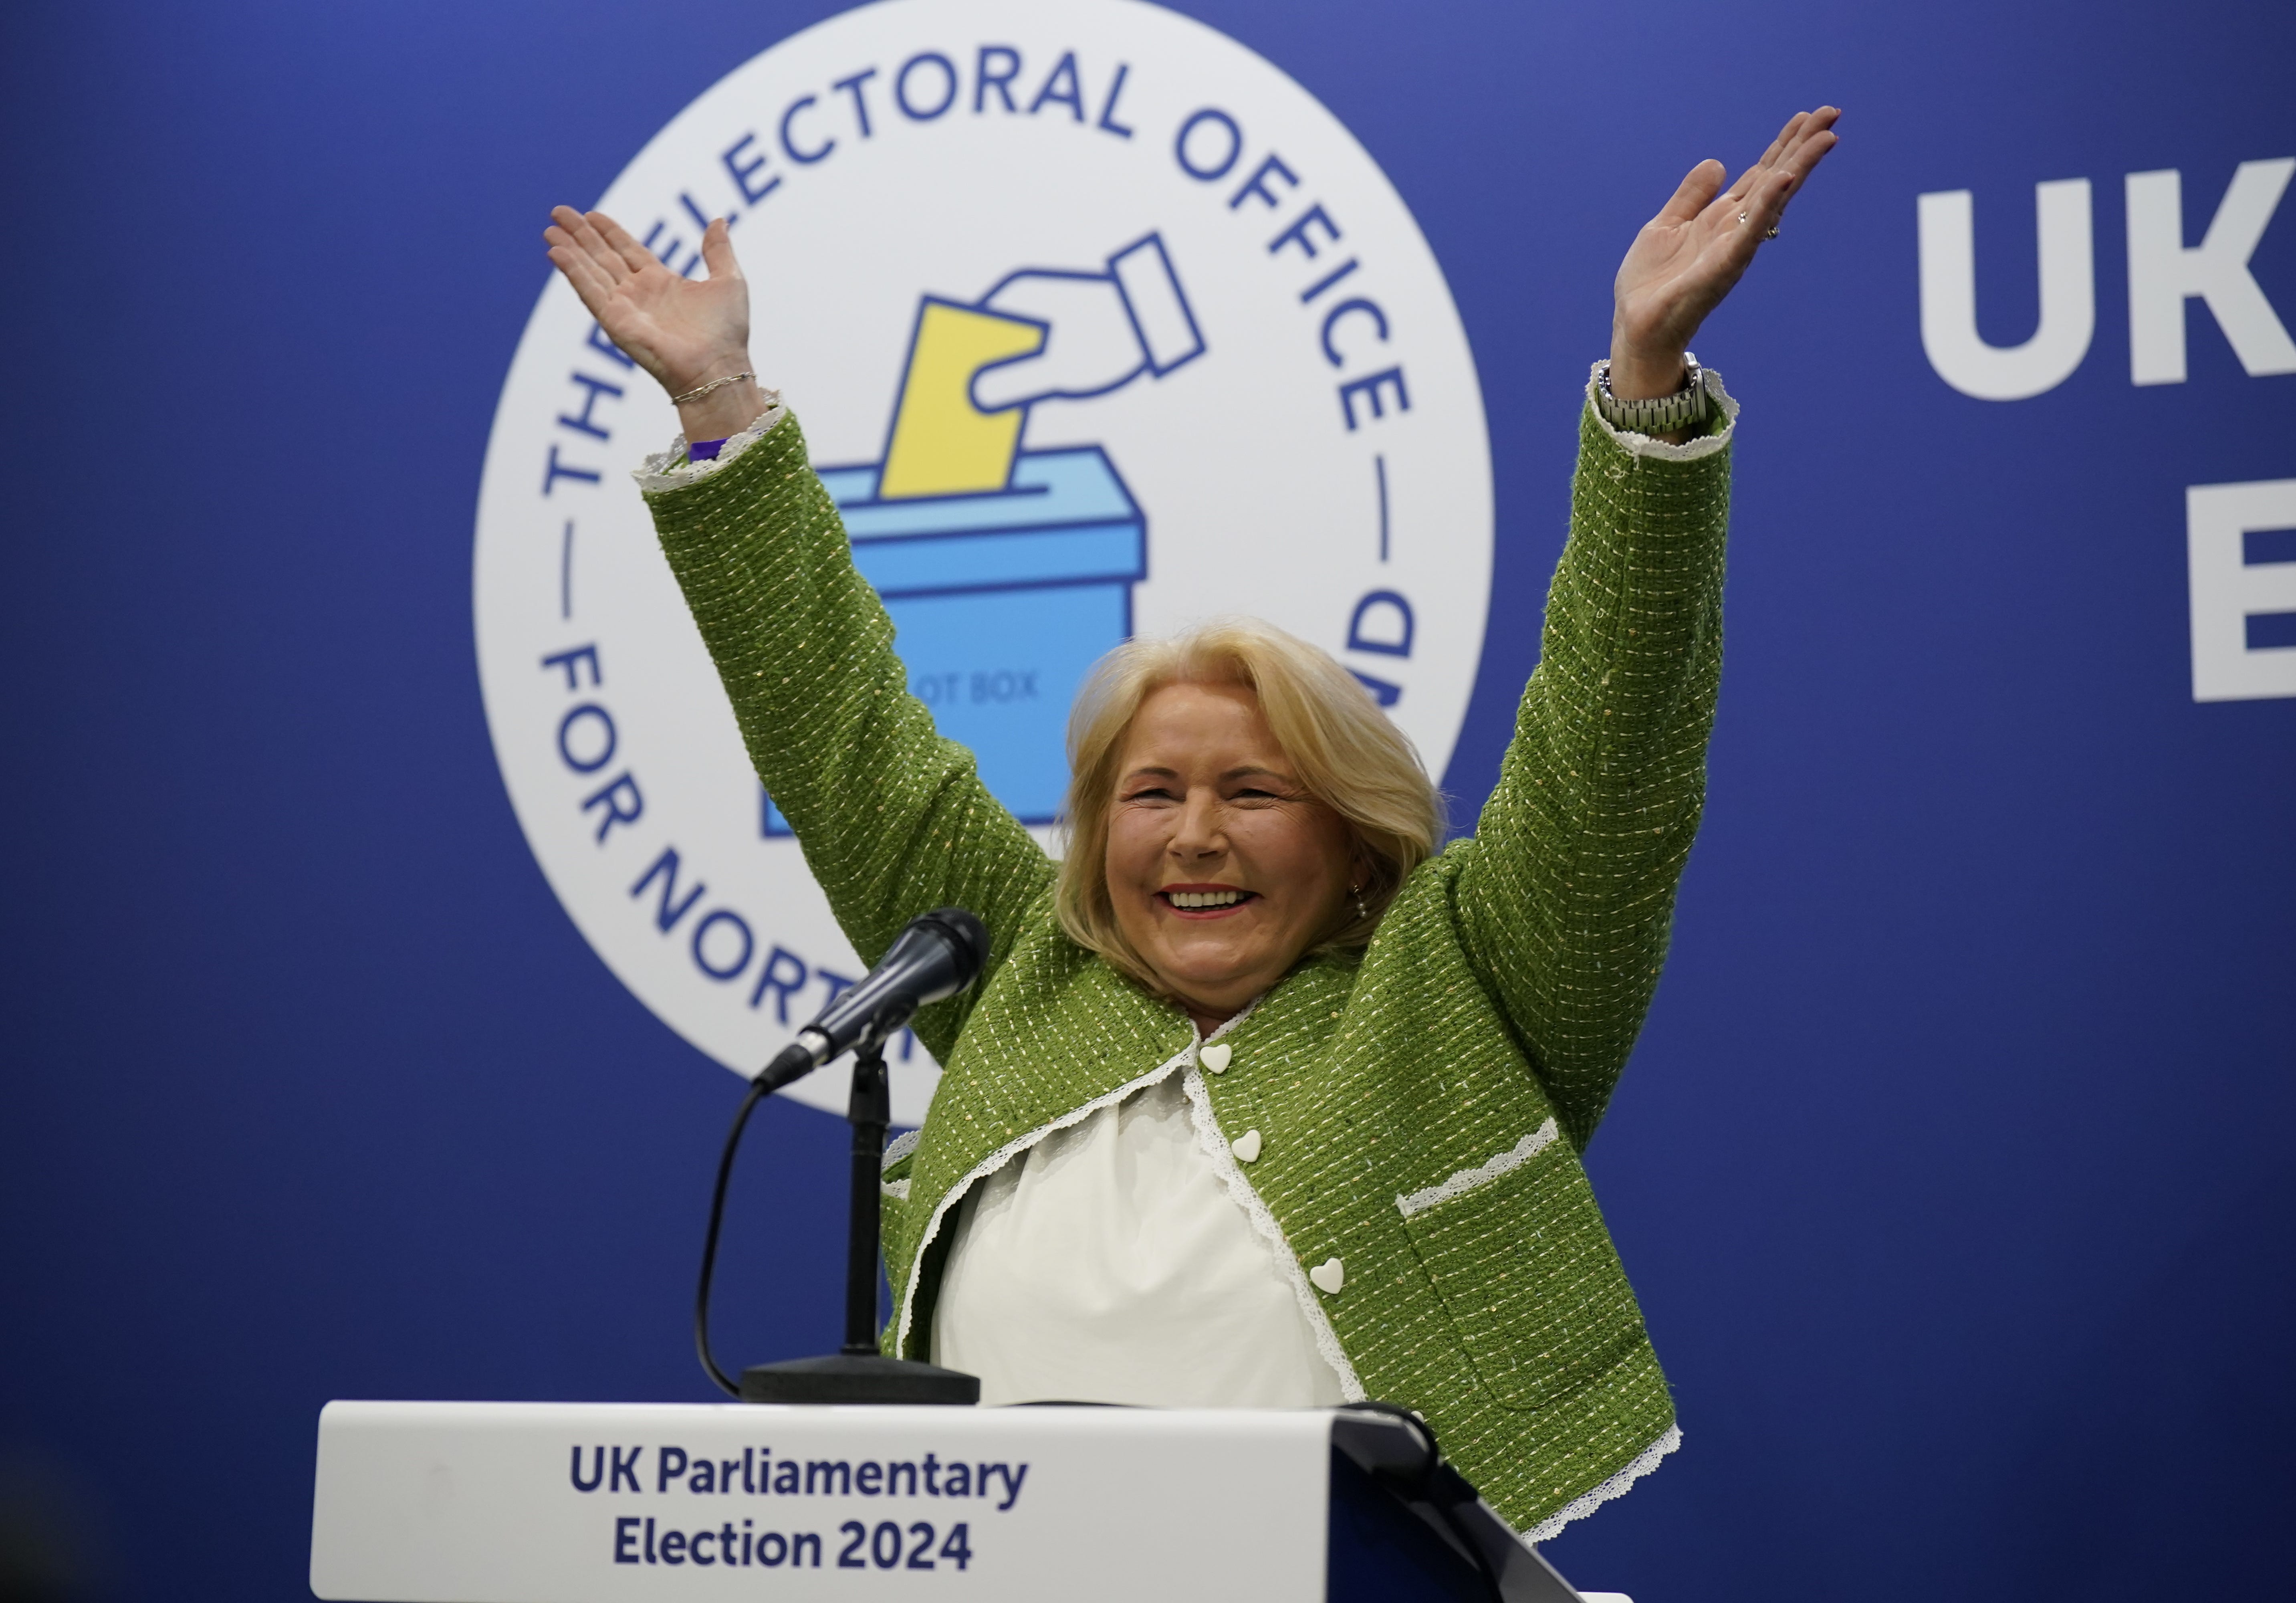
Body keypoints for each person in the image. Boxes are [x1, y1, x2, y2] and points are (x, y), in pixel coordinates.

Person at [545, 106, 1840, 1538]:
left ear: (1353, 835)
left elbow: (1615, 737)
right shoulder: (1024, 978)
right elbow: (841, 730)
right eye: (1151, 795)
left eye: (1255, 792)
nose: (1194, 836)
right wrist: (722, 403)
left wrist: (1647, 385)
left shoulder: (1457, 989)